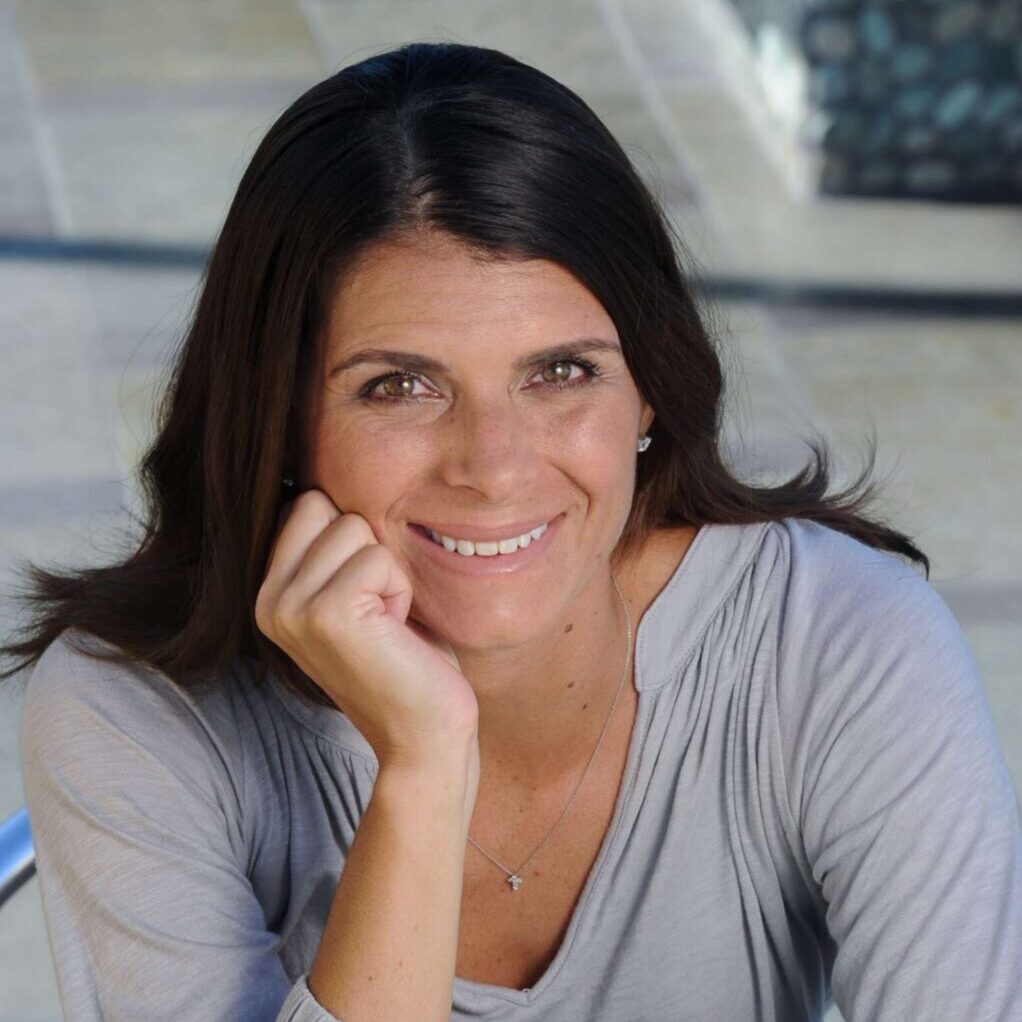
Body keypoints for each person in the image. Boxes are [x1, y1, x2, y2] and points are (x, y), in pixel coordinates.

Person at [3, 41, 1020, 1022]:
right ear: (281, 419)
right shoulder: (132, 715)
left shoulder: (833, 642)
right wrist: (423, 766)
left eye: (560, 372)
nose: (492, 466)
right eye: (399, 386)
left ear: (648, 391)